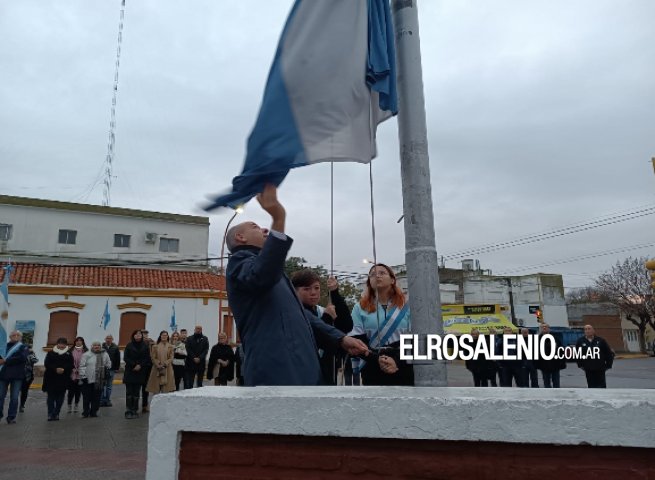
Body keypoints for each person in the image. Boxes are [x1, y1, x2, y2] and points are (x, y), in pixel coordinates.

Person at [225, 184, 367, 386]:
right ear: (240, 237)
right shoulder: (239, 263)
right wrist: (278, 218)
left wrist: (340, 339)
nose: (264, 229)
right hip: (276, 371)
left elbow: (305, 318)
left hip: (301, 370)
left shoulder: (272, 272)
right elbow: (261, 275)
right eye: (255, 227)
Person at [349, 263, 413, 386]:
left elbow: (414, 339)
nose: (377, 276)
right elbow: (357, 340)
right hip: (372, 364)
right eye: (372, 274)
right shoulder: (359, 308)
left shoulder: (407, 306)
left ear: (392, 279)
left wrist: (397, 361)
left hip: (402, 364)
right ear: (369, 282)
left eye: (382, 273)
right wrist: (375, 359)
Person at [291, 270, 354, 385]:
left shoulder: (321, 310)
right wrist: (327, 318)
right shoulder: (293, 314)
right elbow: (313, 338)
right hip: (306, 373)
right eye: (306, 289)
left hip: (328, 372)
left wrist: (335, 293)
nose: (313, 293)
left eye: (316, 288)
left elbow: (346, 326)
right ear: (294, 291)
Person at [42, 337, 74, 421]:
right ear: (57, 344)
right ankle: (50, 413)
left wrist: (64, 369)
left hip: (63, 379)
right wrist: (55, 369)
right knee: (51, 397)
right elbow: (47, 364)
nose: (62, 345)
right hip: (51, 378)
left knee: (60, 397)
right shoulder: (51, 353)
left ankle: (56, 413)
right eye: (60, 343)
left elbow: (71, 365)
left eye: (64, 344)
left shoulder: (69, 354)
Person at [0, 331, 28, 424]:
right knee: (0, 396)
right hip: (3, 375)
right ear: (10, 337)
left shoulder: (23, 347)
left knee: (14, 397)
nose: (15, 336)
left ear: (20, 337)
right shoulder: (4, 346)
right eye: (13, 335)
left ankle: (11, 417)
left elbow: (22, 358)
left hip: (17, 376)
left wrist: (6, 361)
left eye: (18, 335)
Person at [122, 330, 152, 419]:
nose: (138, 336)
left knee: (136, 393)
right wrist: (134, 365)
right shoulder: (129, 345)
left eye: (140, 334)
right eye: (136, 334)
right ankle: (128, 410)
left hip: (140, 371)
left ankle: (134, 410)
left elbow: (147, 358)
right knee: (129, 392)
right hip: (130, 371)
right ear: (133, 336)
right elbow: (125, 357)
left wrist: (139, 365)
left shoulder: (145, 346)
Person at [79, 341, 111, 418]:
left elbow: (109, 364)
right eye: (95, 345)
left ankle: (94, 412)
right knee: (87, 397)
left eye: (98, 345)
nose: (96, 347)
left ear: (100, 346)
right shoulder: (86, 354)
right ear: (92, 346)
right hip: (87, 379)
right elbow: (82, 366)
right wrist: (83, 376)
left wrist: (105, 369)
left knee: (96, 397)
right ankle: (85, 412)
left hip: (99, 380)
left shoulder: (105, 354)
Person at [535, 323, 566, 388]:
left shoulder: (555, 339)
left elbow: (561, 351)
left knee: (556, 383)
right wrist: (537, 364)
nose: (544, 328)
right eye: (542, 327)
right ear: (540, 329)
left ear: (549, 329)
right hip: (543, 365)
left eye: (546, 327)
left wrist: (562, 363)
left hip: (555, 364)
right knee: (546, 383)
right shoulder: (537, 340)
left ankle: (557, 396)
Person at [67, 336, 88, 413]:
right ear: (75, 342)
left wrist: (81, 369)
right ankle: (69, 405)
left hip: (81, 374)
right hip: (72, 374)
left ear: (82, 342)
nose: (78, 342)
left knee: (78, 391)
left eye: (80, 341)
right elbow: (68, 361)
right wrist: (72, 368)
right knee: (71, 391)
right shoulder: (70, 350)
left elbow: (88, 362)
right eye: (77, 341)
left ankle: (76, 405)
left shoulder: (86, 351)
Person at [100, 334, 121, 407]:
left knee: (109, 386)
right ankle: (101, 400)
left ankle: (107, 400)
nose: (108, 339)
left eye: (110, 338)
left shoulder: (115, 347)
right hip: (102, 369)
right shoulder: (101, 347)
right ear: (105, 339)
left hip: (111, 369)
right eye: (107, 338)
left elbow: (118, 358)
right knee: (102, 385)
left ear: (112, 339)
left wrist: (117, 368)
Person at [19, 345, 38, 412]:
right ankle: (16, 405)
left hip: (28, 376)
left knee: (24, 391)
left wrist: (32, 353)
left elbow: (35, 360)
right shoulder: (19, 354)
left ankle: (22, 405)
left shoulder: (30, 354)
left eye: (29, 348)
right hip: (18, 375)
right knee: (16, 392)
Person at [140, 329, 155, 412]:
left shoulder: (151, 342)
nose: (145, 335)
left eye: (146, 334)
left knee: (146, 388)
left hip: (148, 367)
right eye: (143, 334)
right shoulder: (138, 342)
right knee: (138, 387)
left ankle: (144, 405)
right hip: (140, 367)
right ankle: (134, 405)